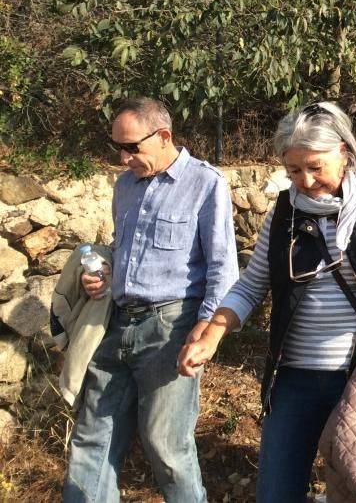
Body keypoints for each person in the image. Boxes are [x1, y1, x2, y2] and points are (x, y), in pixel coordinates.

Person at [177, 102, 356, 501]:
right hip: (296, 378)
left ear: (345, 153)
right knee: (277, 492)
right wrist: (215, 331)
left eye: (316, 167)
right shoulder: (284, 212)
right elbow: (252, 286)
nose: (306, 180)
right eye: (294, 170)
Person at [64, 97, 239, 503]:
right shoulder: (125, 186)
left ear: (163, 136)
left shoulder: (205, 183)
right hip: (117, 324)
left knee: (166, 447)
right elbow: (125, 249)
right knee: (92, 438)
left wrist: (207, 326)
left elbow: (222, 266)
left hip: (170, 328)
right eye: (117, 148)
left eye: (131, 147)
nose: (123, 159)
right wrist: (103, 278)